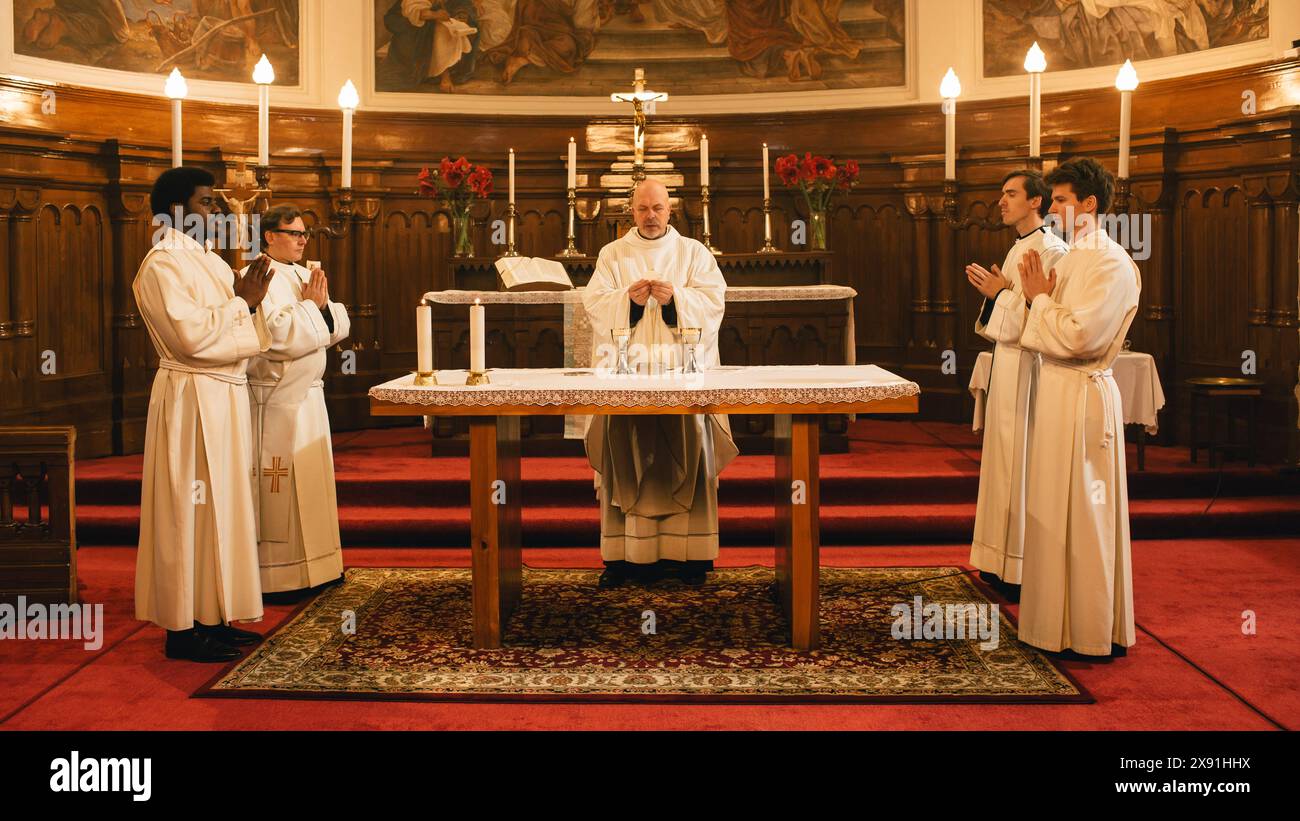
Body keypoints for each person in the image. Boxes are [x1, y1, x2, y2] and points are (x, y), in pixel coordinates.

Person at [133, 167, 273, 662]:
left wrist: (245, 304)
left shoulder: (208, 261)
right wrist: (241, 302)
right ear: (176, 211)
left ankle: (213, 616)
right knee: (187, 512)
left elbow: (245, 336)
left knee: (223, 509)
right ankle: (182, 629)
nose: (217, 212)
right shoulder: (163, 264)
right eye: (207, 203)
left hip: (225, 395)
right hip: (191, 398)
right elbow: (190, 339)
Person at [582, 179, 738, 588]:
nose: (650, 216)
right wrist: (627, 304)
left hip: (682, 376)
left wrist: (678, 302)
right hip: (627, 376)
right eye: (642, 209)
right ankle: (625, 558)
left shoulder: (694, 253)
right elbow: (595, 306)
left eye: (658, 208)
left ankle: (691, 557)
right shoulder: (612, 255)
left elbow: (714, 302)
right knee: (628, 455)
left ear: (672, 210)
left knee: (688, 452)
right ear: (630, 212)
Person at [1016, 156, 1140, 658]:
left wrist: (1039, 300)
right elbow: (1048, 328)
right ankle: (1052, 626)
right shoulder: (1071, 258)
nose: (1053, 208)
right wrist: (1035, 299)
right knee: (1051, 508)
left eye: (1063, 200)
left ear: (1090, 205)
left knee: (1086, 513)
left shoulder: (1109, 261)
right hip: (1057, 392)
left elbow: (1080, 337)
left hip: (1083, 392)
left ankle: (1087, 631)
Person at [965, 169, 1070, 601]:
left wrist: (999, 294)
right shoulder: (1019, 247)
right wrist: (1000, 294)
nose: (1001, 201)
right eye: (1001, 194)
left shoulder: (1051, 249)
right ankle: (997, 559)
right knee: (1003, 464)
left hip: (1032, 370)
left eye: (1011, 194)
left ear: (1036, 203)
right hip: (1008, 367)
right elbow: (1013, 308)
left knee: (1021, 463)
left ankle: (1022, 565)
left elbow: (1043, 315)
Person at [242, 205, 351, 602]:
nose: (303, 240)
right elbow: (276, 337)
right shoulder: (255, 276)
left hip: (309, 399)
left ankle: (320, 567)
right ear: (269, 236)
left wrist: (318, 307)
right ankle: (280, 576)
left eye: (306, 234)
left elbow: (340, 324)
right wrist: (311, 309)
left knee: (313, 483)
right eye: (294, 233)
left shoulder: (305, 274)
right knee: (281, 488)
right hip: (278, 401)